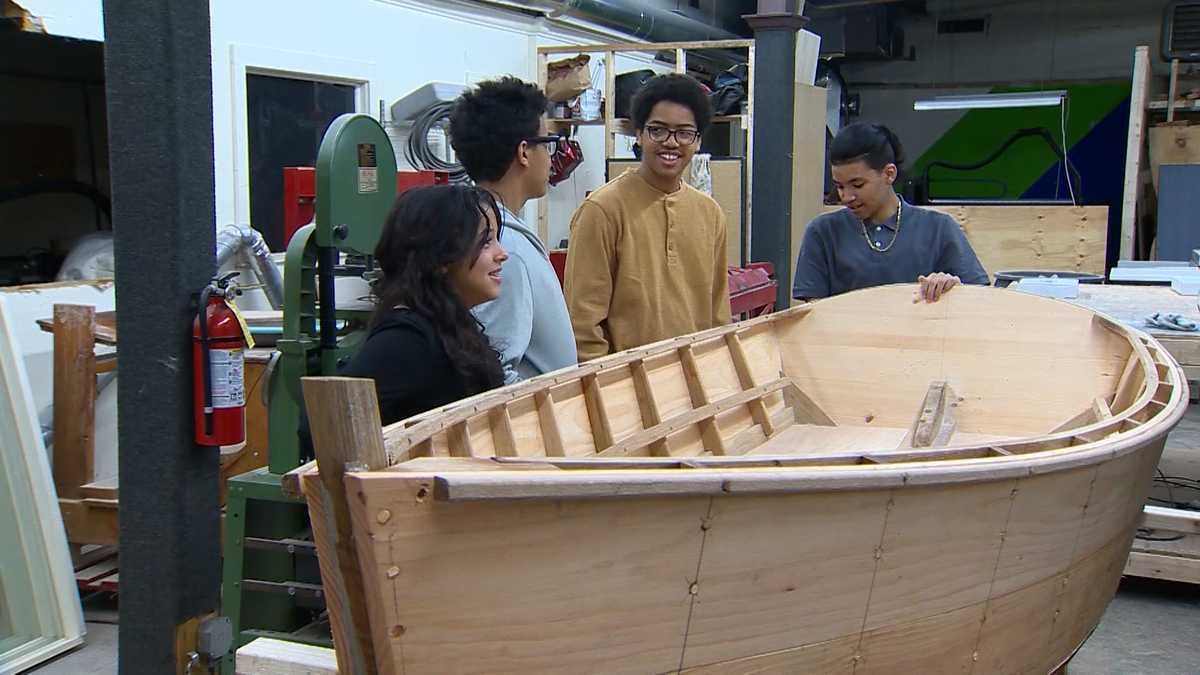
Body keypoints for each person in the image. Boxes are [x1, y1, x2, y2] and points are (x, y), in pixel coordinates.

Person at [299, 184, 508, 458]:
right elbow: (321, 424)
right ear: (441, 256)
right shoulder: (408, 340)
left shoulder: (452, 327)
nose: (502, 253)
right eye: (485, 242)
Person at [564, 73, 730, 361]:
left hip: (696, 376)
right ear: (639, 134)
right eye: (658, 130)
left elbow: (718, 313)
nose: (671, 142)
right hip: (626, 381)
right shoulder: (602, 210)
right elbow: (583, 325)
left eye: (684, 133)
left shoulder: (710, 213)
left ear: (698, 141)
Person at [449, 76, 576, 383]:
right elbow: (495, 372)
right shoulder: (505, 250)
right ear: (524, 152)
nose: (551, 157)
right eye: (547, 144)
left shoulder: (491, 232)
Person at [792, 123, 990, 303]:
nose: (847, 197)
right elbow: (814, 314)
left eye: (857, 184)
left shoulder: (939, 229)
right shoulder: (822, 233)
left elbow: (979, 300)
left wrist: (952, 287)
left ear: (889, 174)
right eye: (840, 186)